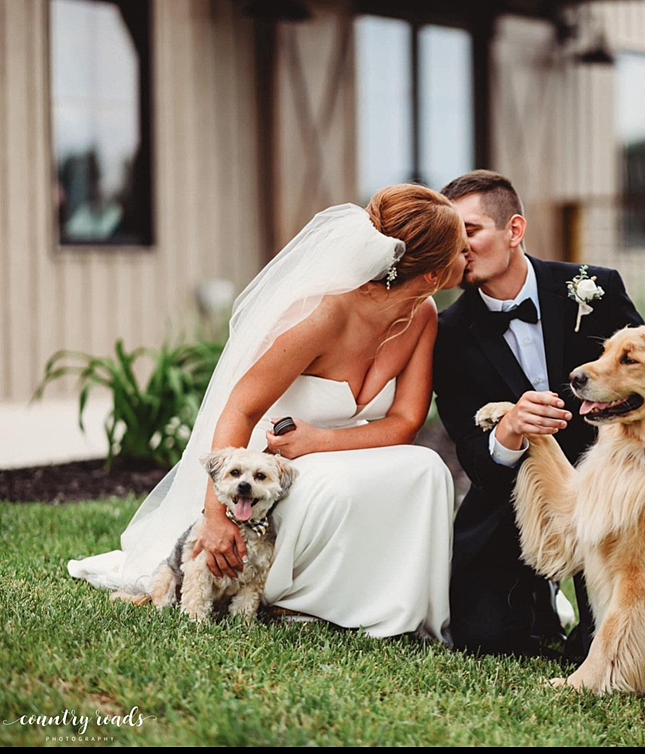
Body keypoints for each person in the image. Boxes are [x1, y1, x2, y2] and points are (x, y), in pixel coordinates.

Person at [68, 184, 469, 642]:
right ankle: (296, 600)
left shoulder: (422, 315)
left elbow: (405, 423)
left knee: (428, 468)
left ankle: (393, 605)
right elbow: (240, 407)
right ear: (435, 273)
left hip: (342, 449)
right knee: (335, 487)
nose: (469, 254)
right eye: (461, 249)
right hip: (271, 464)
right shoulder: (320, 314)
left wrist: (321, 440)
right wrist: (216, 515)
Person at [433, 170, 645, 658]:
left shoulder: (594, 289)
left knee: (611, 645)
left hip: (609, 495)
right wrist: (507, 432)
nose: (459, 246)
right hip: (511, 499)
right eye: (450, 234)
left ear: (514, 230)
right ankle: (539, 601)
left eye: (470, 230)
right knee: (485, 640)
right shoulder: (448, 334)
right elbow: (475, 461)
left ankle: (578, 610)